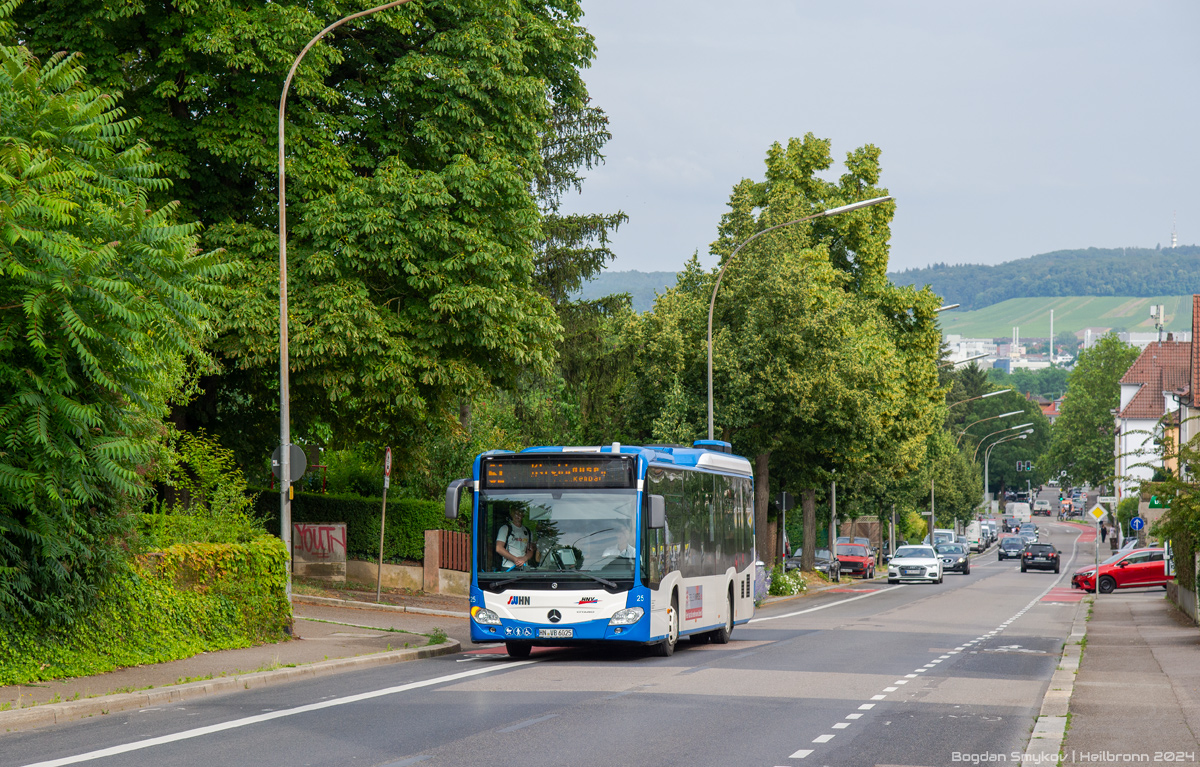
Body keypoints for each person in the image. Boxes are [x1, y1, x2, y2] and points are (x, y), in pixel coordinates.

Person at [495, 506, 535, 570]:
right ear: (511, 514)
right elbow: (499, 548)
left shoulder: (528, 531)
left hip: (524, 567)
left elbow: (530, 550)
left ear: (523, 515)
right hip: (508, 567)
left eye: (520, 513)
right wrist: (515, 559)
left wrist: (524, 559)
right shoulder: (505, 529)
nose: (517, 515)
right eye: (515, 513)